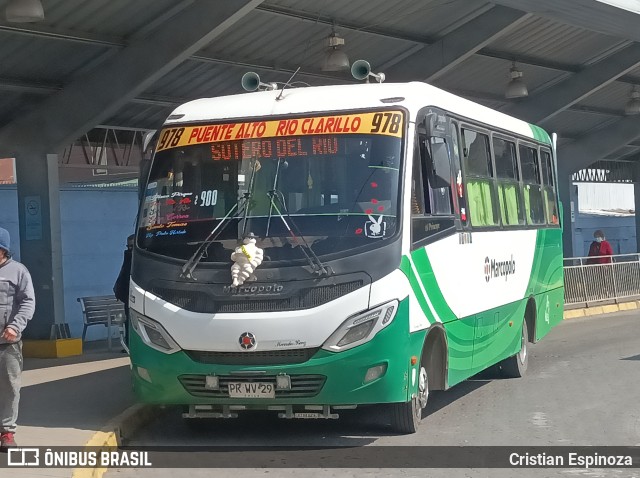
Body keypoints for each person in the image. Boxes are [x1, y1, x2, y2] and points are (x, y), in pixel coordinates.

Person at [0, 227, 35, 449]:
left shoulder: (18, 271)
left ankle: (7, 432)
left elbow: (28, 302)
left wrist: (15, 326)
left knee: (10, 387)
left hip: (8, 343)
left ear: (3, 249)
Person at [113, 234, 134, 348]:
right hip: (128, 295)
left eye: (132, 247)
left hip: (137, 294)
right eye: (128, 246)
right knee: (128, 321)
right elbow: (123, 274)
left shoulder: (138, 258)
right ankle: (128, 344)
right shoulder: (128, 257)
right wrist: (119, 290)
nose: (129, 249)